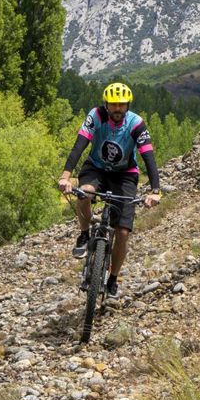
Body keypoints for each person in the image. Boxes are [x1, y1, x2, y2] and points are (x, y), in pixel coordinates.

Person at [58, 82, 162, 299]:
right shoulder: (95, 116)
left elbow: (148, 157)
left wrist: (155, 190)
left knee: (123, 232)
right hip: (96, 168)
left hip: (125, 175)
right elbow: (79, 145)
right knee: (84, 192)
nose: (117, 109)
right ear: (106, 104)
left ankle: (113, 278)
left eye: (121, 105)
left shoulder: (136, 123)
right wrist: (66, 176)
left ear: (127, 105)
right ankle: (85, 235)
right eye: (113, 105)